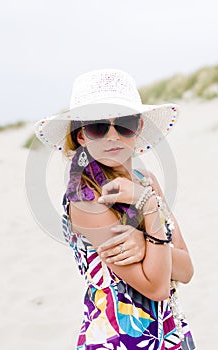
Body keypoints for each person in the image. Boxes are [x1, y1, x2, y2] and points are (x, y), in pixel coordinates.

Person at [35, 69, 196, 349]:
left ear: (138, 129)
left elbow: (186, 270)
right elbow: (156, 287)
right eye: (98, 126)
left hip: (169, 331)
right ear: (81, 136)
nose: (112, 136)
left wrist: (143, 242)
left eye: (124, 123)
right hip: (120, 338)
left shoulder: (146, 182)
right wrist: (148, 210)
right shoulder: (86, 201)